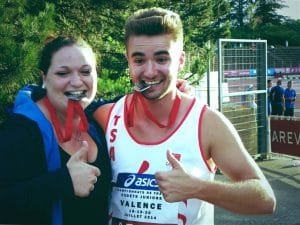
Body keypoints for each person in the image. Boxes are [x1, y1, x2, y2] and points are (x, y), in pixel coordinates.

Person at [93, 7, 276, 225]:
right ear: (128, 61)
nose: (150, 72)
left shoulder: (207, 123)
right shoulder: (107, 117)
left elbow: (265, 199)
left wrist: (198, 188)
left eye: (162, 59)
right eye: (139, 60)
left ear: (180, 60)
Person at [0, 36, 112, 225]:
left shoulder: (95, 123)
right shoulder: (21, 130)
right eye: (63, 73)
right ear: (44, 78)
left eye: (86, 72)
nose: (77, 82)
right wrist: (64, 182)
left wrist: (173, 89)